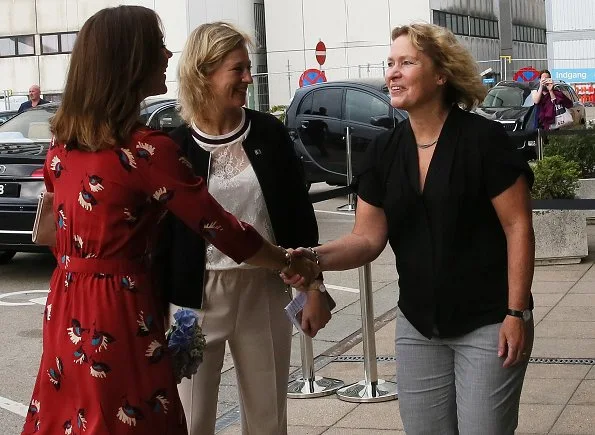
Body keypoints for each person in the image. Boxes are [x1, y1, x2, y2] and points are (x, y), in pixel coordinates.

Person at [21, 7, 319, 435]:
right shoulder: (147, 150)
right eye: (156, 45)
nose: (166, 54)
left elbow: (55, 232)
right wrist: (292, 264)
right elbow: (220, 228)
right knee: (136, 418)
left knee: (78, 415)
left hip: (68, 301)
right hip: (120, 307)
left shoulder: (62, 148)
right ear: (131, 60)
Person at [285, 23, 535, 434]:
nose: (392, 73)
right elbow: (366, 239)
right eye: (390, 63)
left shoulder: (484, 141)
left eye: (407, 62)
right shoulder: (384, 150)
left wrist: (516, 311)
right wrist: (314, 257)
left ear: (441, 75)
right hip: (418, 326)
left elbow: (518, 227)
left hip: (489, 320)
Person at [158, 22, 331, 435]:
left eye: (248, 68)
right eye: (238, 70)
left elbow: (298, 220)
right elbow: (159, 240)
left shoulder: (268, 134)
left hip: (265, 291)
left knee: (268, 419)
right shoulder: (172, 147)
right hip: (192, 302)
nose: (249, 79)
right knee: (192, 421)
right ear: (204, 72)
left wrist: (314, 288)